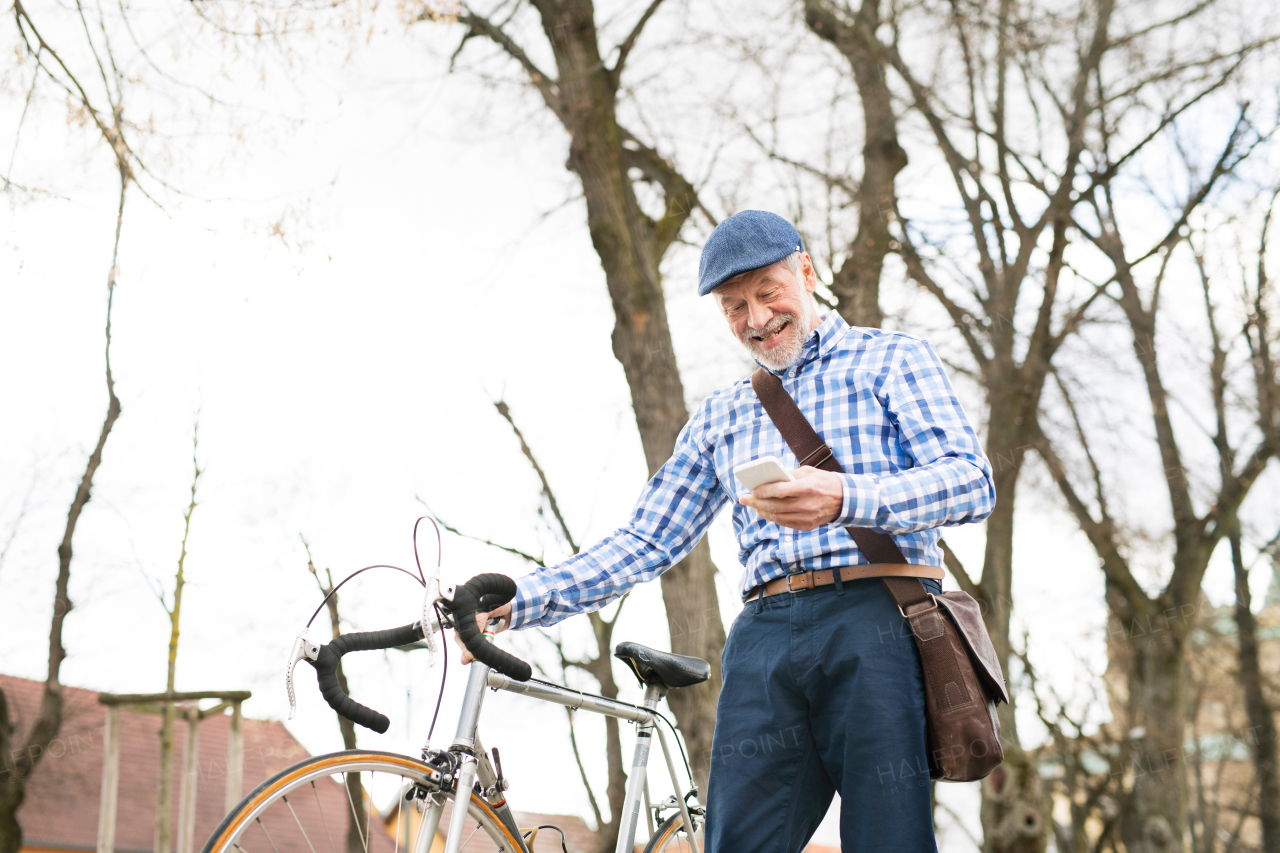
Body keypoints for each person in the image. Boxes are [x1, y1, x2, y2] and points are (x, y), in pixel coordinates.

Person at [464, 210, 995, 852]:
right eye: (733, 306)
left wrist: (846, 496)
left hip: (876, 621)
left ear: (806, 270)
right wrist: (523, 600)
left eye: (768, 292)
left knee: (888, 841)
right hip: (765, 640)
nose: (756, 319)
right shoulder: (724, 414)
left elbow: (971, 483)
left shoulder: (892, 360)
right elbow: (647, 539)